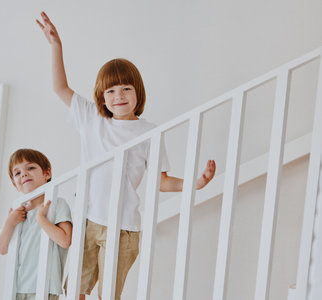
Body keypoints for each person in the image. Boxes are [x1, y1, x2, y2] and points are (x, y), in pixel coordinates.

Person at [36, 11, 216, 300]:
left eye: (126, 88)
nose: (118, 95)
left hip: (123, 228)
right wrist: (56, 46)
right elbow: (60, 87)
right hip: (88, 221)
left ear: (137, 92)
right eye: (111, 90)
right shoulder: (92, 119)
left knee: (108, 295)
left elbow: (161, 181)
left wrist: (194, 183)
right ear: (102, 96)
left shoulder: (150, 132)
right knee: (74, 291)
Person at [0, 148, 73, 300]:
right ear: (15, 184)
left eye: (30, 167)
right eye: (17, 173)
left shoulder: (57, 204)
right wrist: (9, 223)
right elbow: (2, 249)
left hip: (45, 286)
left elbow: (65, 241)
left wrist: (42, 220)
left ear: (47, 173)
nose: (24, 174)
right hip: (17, 286)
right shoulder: (18, 214)